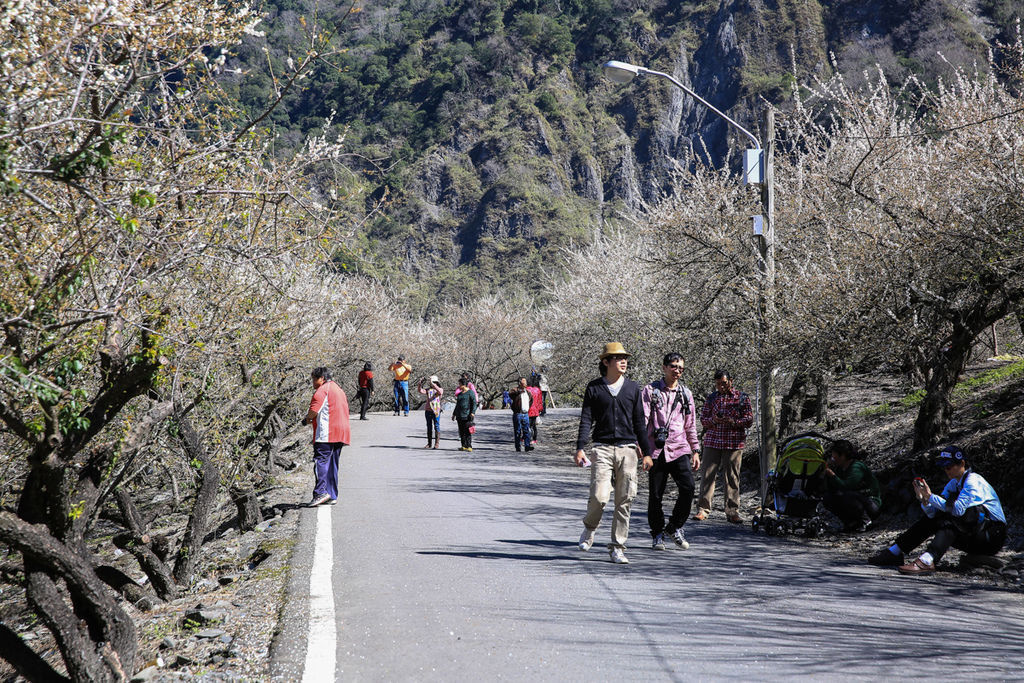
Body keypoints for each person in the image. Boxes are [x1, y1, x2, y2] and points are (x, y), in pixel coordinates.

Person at [868, 445, 1006, 574]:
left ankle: (928, 560)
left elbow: (958, 510)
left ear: (962, 463)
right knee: (941, 517)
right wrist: (925, 500)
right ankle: (895, 552)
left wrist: (930, 496)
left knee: (953, 519)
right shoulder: (954, 484)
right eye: (944, 466)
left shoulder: (973, 481)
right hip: (974, 533)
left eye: (949, 466)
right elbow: (934, 514)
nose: (946, 470)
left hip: (992, 536)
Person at [574, 342, 653, 564]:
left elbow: (640, 422)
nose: (623, 361)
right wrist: (580, 448)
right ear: (606, 362)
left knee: (625, 498)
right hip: (602, 448)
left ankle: (617, 547)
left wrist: (646, 452)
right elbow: (586, 420)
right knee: (599, 497)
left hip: (628, 449)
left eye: (624, 357)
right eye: (617, 358)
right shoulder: (594, 388)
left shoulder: (632, 389)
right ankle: (590, 528)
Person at [641, 352, 700, 551]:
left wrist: (695, 450)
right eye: (674, 366)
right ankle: (657, 533)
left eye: (681, 368)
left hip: (679, 447)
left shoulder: (686, 394)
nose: (677, 371)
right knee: (656, 495)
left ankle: (674, 527)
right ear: (664, 367)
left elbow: (690, 424)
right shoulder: (650, 391)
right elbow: (643, 420)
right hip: (656, 450)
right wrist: (642, 449)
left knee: (688, 488)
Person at [695, 369, 753, 524]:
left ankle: (733, 511)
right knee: (707, 475)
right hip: (713, 441)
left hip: (733, 443)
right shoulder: (711, 398)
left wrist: (733, 421)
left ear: (731, 381)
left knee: (732, 477)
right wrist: (714, 420)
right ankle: (703, 509)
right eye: (718, 384)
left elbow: (749, 420)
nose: (721, 386)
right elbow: (704, 419)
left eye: (724, 383)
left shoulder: (742, 398)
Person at [301, 367, 350, 506]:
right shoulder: (339, 389)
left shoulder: (322, 391)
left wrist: (306, 420)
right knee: (333, 464)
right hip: (341, 432)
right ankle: (332, 494)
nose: (313, 382)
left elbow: (313, 411)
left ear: (321, 378)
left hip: (326, 433)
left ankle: (320, 492)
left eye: (314, 379)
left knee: (320, 462)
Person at [823, 440, 881, 532]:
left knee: (847, 495)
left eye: (834, 456)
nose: (833, 458)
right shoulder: (840, 468)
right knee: (828, 497)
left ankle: (866, 521)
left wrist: (832, 475)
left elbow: (847, 486)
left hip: (870, 503)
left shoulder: (856, 467)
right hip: (856, 501)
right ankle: (851, 523)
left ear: (842, 456)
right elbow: (833, 488)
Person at [417, 375, 444, 449]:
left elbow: (440, 392)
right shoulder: (428, 390)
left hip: (436, 410)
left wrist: (434, 385)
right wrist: (420, 384)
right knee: (429, 427)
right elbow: (420, 391)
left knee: (436, 426)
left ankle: (437, 443)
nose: (430, 384)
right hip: (428, 410)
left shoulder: (439, 389)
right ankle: (429, 443)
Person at [452, 375, 477, 451]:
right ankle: (464, 445)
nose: (458, 386)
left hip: (467, 415)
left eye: (459, 384)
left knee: (467, 431)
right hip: (459, 415)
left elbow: (474, 403)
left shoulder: (470, 393)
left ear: (463, 384)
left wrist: (472, 412)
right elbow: (457, 405)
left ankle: (469, 446)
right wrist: (454, 414)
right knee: (461, 431)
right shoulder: (459, 394)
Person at [509, 377, 534, 452]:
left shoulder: (528, 392)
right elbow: (510, 394)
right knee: (517, 431)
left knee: (527, 430)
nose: (525, 383)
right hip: (518, 414)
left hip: (525, 414)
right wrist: (519, 391)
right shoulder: (515, 390)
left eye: (525, 382)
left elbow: (531, 400)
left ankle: (527, 446)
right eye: (523, 382)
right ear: (520, 383)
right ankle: (518, 446)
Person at [526, 376, 543, 444]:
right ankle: (534, 439)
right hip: (535, 410)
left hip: (528, 409)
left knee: (527, 425)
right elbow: (540, 401)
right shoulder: (538, 390)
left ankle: (527, 438)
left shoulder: (527, 389)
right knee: (533, 425)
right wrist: (540, 409)